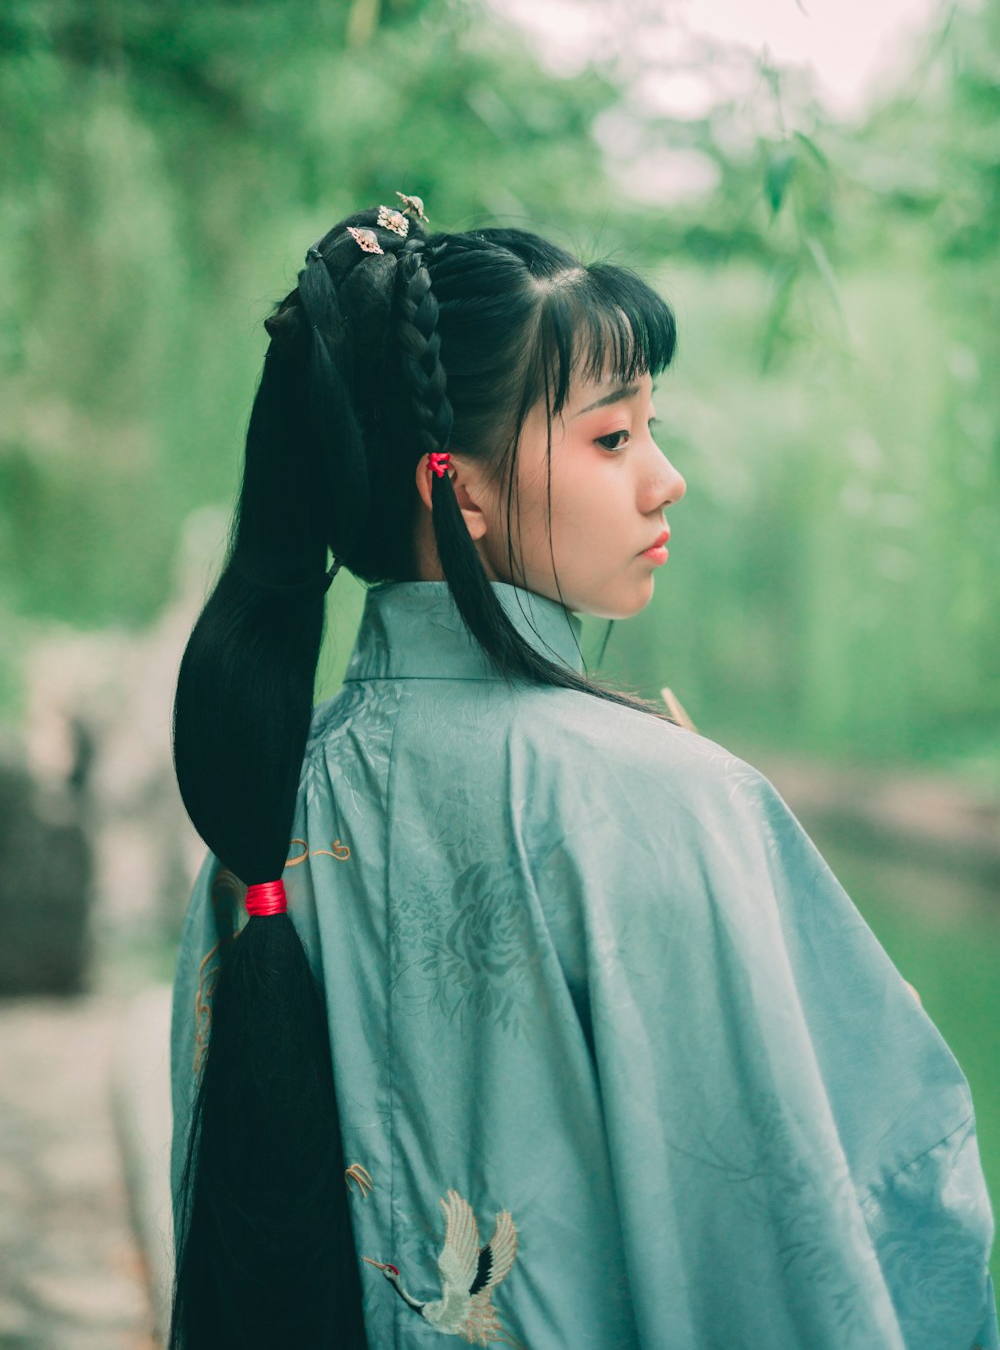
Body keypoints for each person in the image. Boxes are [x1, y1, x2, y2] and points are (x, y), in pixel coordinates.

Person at [168, 198, 998, 1350]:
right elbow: (844, 1190)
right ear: (456, 488)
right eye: (613, 437)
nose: (668, 480)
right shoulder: (670, 802)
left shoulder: (258, 819)